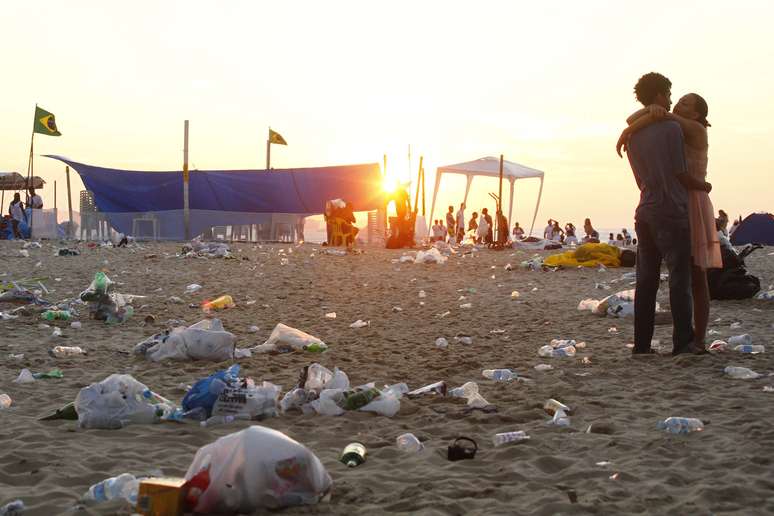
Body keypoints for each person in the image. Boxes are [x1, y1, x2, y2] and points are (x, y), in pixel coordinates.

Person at [619, 77, 721, 353]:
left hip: (646, 206)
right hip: (676, 205)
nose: (675, 100)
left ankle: (642, 345)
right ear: (663, 95)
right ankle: (685, 342)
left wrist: (630, 129)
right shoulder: (671, 129)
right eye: (673, 96)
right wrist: (704, 185)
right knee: (681, 276)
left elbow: (639, 177)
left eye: (685, 101)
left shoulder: (640, 134)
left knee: (647, 279)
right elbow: (680, 173)